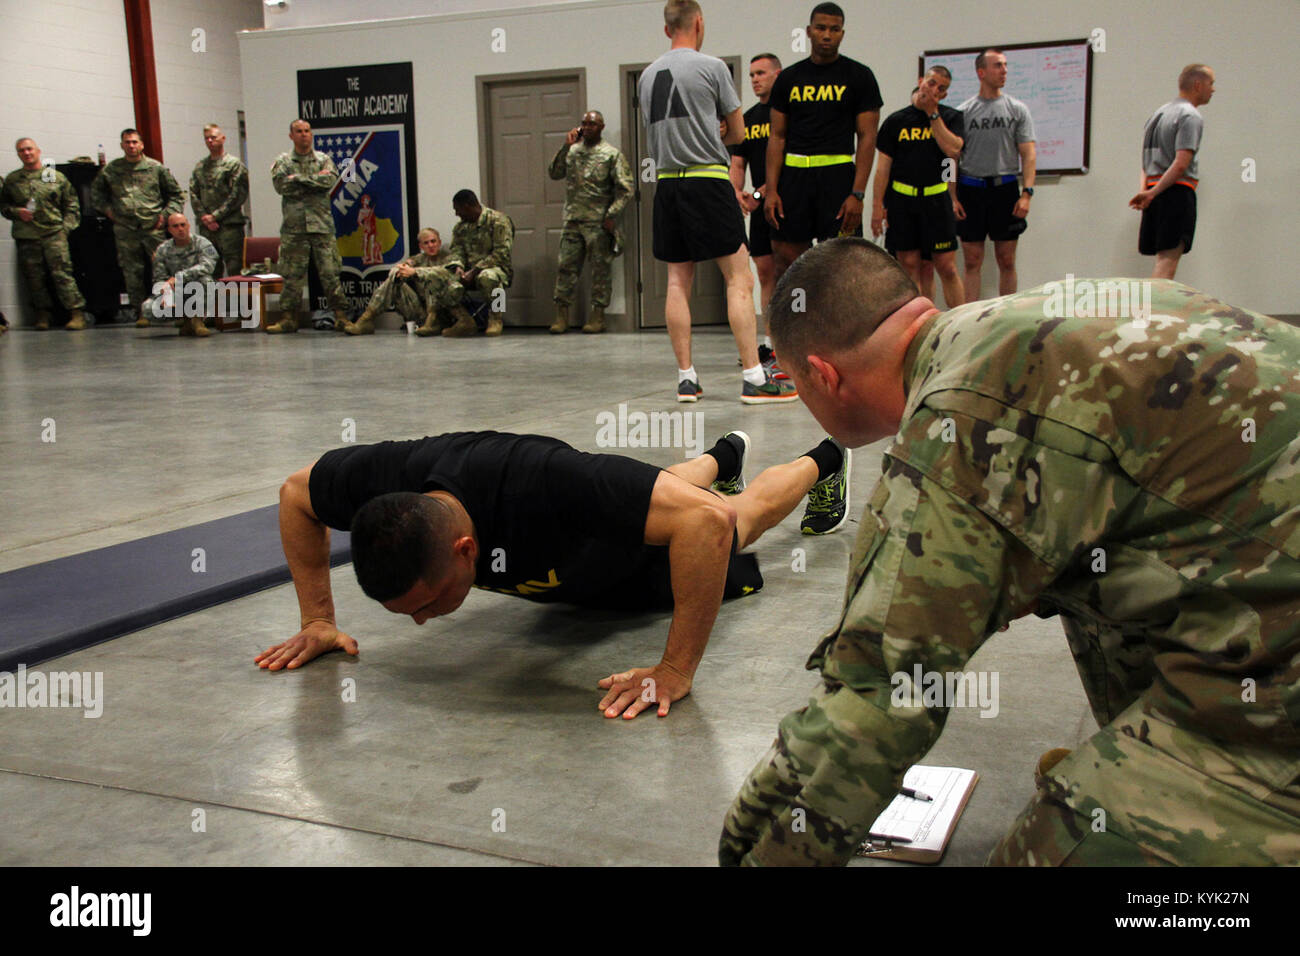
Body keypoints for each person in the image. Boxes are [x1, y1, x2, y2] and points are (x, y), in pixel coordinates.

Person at [720, 237, 1300, 866]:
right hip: (1257, 571)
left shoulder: (963, 417)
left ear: (824, 375)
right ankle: (1156, 757)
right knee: (1085, 570)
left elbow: (882, 695)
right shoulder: (1021, 325)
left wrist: (750, 852)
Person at [256, 428, 851, 719]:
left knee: (733, 516)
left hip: (619, 567)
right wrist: (317, 620)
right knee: (650, 491)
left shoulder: (544, 480)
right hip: (570, 552)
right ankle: (721, 456)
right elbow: (294, 494)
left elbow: (708, 526)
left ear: (466, 551)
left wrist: (673, 670)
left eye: (429, 604)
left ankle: (824, 460)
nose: (419, 622)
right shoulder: (392, 480)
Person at [639, 0, 794, 405]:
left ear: (666, 28)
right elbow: (739, 133)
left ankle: (686, 379)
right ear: (699, 23)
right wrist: (716, 133)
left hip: (667, 183)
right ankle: (754, 376)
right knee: (738, 278)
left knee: (677, 281)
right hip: (708, 179)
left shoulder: (647, 76)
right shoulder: (712, 68)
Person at [764, 3, 882, 283]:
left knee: (843, 263)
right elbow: (777, 137)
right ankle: (796, 323)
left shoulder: (860, 76)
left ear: (842, 33)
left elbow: (867, 138)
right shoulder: (789, 79)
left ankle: (843, 327)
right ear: (809, 32)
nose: (827, 35)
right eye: (820, 28)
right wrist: (771, 190)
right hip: (794, 179)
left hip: (838, 179)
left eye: (834, 29)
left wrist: (858, 194)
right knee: (789, 261)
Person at [873, 67, 964, 308]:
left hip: (936, 200)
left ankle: (959, 321)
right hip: (902, 201)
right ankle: (917, 321)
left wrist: (933, 114)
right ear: (921, 81)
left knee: (946, 265)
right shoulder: (896, 121)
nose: (934, 90)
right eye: (931, 83)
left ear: (944, 95)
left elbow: (953, 150)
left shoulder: (951, 117)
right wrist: (877, 207)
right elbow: (882, 169)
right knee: (909, 264)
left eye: (941, 89)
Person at [953, 49, 1036, 302]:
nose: (1004, 71)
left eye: (1005, 65)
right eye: (998, 66)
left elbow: (1029, 154)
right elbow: (948, 159)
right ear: (981, 72)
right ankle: (970, 318)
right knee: (972, 260)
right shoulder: (963, 112)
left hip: (1005, 189)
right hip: (971, 191)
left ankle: (1007, 314)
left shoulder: (1017, 109)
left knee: (1006, 259)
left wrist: (1027, 193)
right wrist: (952, 196)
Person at [728, 53, 788, 379]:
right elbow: (738, 163)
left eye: (761, 73)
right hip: (756, 206)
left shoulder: (786, 113)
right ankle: (768, 343)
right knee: (764, 271)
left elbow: (787, 161)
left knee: (785, 272)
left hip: (782, 200)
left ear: (777, 75)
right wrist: (737, 193)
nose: (754, 79)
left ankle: (787, 344)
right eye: (751, 74)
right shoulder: (748, 118)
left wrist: (760, 193)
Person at [548, 110, 634, 335]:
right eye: (584, 124)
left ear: (601, 127)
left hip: (598, 223)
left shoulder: (611, 155)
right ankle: (561, 316)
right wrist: (565, 146)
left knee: (600, 271)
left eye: (592, 124)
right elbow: (554, 173)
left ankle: (597, 317)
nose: (587, 128)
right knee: (565, 268)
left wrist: (611, 215)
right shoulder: (572, 152)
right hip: (573, 220)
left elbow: (626, 189)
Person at [90, 128, 185, 327]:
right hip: (125, 228)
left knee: (164, 268)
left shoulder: (155, 168)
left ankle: (173, 309)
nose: (131, 146)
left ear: (141, 145)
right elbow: (96, 195)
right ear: (122, 145)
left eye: (134, 142)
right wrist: (109, 211)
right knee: (132, 271)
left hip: (153, 227)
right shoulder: (111, 170)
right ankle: (141, 311)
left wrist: (165, 216)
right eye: (127, 142)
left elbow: (176, 195)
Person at [1129, 64, 1215, 280]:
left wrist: (1147, 191)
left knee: (1162, 259)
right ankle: (1154, 313)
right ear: (1198, 85)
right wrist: (1153, 193)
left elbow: (1145, 163)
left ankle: (1152, 311)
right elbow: (1180, 164)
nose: (1213, 89)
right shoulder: (1190, 116)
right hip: (1175, 193)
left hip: (1154, 192)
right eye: (1211, 83)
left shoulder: (1158, 114)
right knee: (1167, 263)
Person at [267, 119, 350, 334]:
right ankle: (288, 319)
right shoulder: (282, 161)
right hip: (294, 229)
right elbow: (281, 186)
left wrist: (298, 179)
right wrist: (312, 181)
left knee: (330, 273)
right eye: (299, 131)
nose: (304, 135)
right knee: (292, 276)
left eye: (307, 131)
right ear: (291, 136)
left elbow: (328, 182)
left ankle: (341, 316)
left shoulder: (323, 159)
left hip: (322, 227)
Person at [1, 138, 87, 331]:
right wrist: (17, 212)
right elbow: (4, 207)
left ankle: (76, 313)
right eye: (22, 150)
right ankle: (42, 315)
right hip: (27, 236)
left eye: (29, 149)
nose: (26, 153)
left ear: (38, 151)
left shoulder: (54, 176)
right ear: (18, 154)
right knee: (34, 278)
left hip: (54, 234)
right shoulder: (13, 180)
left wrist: (65, 230)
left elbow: (72, 206)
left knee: (62, 275)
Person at [343, 227, 474, 336]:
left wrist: (416, 272)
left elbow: (446, 273)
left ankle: (433, 322)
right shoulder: (418, 259)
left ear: (439, 242)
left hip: (442, 311)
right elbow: (406, 264)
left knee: (431, 277)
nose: (431, 245)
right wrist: (398, 270)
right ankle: (366, 319)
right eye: (426, 243)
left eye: (433, 241)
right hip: (420, 310)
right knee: (395, 279)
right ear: (421, 246)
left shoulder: (450, 258)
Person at [442, 189, 514, 338]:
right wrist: (458, 266)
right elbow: (457, 250)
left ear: (468, 206)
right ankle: (464, 321)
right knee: (440, 277)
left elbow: (501, 253)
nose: (457, 214)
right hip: (467, 272)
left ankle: (496, 318)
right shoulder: (460, 228)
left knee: (488, 277)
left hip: (497, 270)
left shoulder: (498, 221)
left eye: (458, 209)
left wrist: (474, 271)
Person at [142, 212, 219, 337]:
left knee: (207, 281)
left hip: (198, 289)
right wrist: (165, 293)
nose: (180, 229)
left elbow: (207, 267)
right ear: (169, 230)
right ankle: (186, 320)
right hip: (176, 292)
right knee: (148, 309)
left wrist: (178, 278)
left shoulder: (203, 243)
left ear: (188, 225)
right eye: (175, 226)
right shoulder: (163, 249)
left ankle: (198, 320)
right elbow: (159, 278)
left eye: (183, 225)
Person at [189, 123, 249, 280]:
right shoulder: (200, 167)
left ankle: (238, 305)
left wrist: (215, 216)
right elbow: (194, 194)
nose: (210, 141)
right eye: (206, 138)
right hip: (207, 228)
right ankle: (215, 304)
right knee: (210, 269)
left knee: (235, 270)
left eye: (213, 137)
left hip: (229, 227)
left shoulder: (234, 164)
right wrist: (205, 217)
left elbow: (238, 195)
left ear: (223, 138)